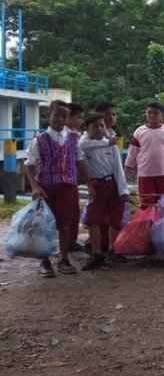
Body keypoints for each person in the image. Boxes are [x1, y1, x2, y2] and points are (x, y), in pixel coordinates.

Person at [25, 100, 96, 277]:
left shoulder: (73, 138)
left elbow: (79, 161)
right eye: (57, 115)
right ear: (48, 114)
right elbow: (29, 165)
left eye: (64, 116)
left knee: (64, 225)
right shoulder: (39, 140)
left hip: (68, 187)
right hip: (46, 187)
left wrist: (89, 183)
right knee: (44, 225)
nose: (60, 119)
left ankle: (63, 259)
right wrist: (34, 187)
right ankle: (44, 260)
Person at [78, 113, 130, 270]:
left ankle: (112, 250)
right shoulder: (84, 142)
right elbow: (83, 145)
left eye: (102, 125)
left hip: (113, 184)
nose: (100, 129)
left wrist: (123, 189)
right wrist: (108, 142)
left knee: (116, 220)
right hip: (96, 185)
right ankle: (97, 254)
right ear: (87, 129)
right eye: (95, 126)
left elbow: (118, 168)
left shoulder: (111, 144)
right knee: (92, 219)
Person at [124, 101, 164, 208]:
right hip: (145, 174)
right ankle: (147, 224)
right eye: (149, 112)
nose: (152, 115)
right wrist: (125, 174)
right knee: (146, 205)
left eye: (155, 113)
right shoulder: (139, 132)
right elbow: (132, 154)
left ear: (162, 115)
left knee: (163, 205)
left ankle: (162, 225)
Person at [65, 103, 86, 252]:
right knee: (69, 212)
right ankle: (68, 241)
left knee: (73, 211)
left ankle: (71, 240)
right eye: (79, 118)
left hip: (71, 177)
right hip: (65, 179)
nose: (80, 121)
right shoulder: (68, 135)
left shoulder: (75, 134)